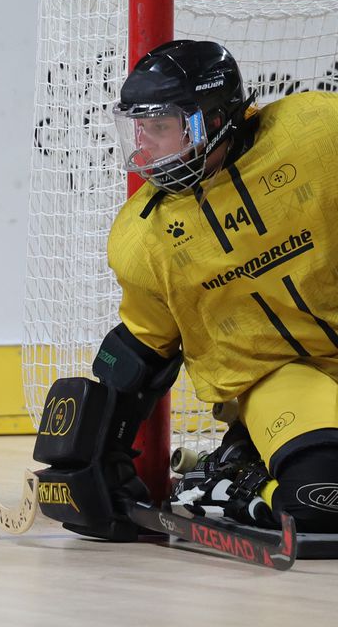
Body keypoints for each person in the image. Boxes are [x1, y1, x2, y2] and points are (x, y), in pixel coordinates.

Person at [33, 39, 338, 541]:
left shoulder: (317, 132)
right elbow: (142, 349)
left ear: (214, 120)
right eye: (139, 127)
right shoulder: (142, 236)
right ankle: (240, 480)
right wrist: (99, 450)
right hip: (281, 375)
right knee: (318, 497)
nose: (143, 146)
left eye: (160, 127)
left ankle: (242, 461)